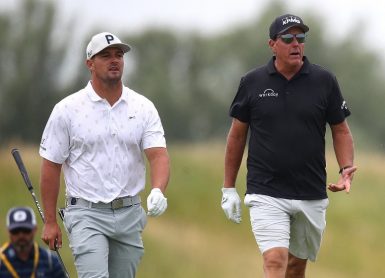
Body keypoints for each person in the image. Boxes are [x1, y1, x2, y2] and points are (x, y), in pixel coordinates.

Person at [221, 14, 357, 277]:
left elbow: (340, 129)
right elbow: (237, 136)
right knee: (275, 260)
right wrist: (228, 188)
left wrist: (346, 167)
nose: (296, 43)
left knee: (295, 268)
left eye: (301, 37)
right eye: (287, 38)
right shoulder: (253, 82)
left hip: (310, 190)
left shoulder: (324, 81)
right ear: (272, 44)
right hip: (266, 191)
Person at [39, 32, 170, 278]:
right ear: (90, 63)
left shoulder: (143, 107)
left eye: (119, 55)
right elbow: (51, 165)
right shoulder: (67, 110)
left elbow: (158, 155)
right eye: (106, 56)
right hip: (86, 213)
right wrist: (50, 221)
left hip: (129, 213)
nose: (114, 60)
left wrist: (158, 190)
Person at [0, 207, 66, 277]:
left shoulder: (50, 261)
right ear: (8, 231)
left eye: (26, 230)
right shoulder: (1, 261)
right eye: (15, 231)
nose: (21, 235)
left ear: (35, 229)